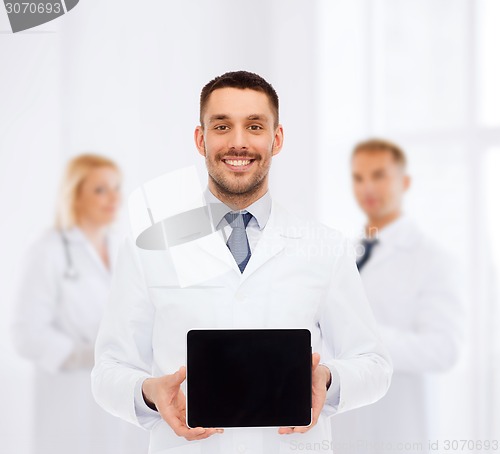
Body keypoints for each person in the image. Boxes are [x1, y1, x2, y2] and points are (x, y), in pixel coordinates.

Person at [91, 71, 393, 454]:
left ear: (276, 139)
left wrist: (327, 380)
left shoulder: (325, 247)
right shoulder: (147, 246)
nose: (238, 143)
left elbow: (375, 365)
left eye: (254, 126)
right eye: (221, 126)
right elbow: (108, 372)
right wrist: (149, 393)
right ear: (201, 139)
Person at [331, 139, 464, 453]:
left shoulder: (432, 258)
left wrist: (366, 342)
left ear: (404, 182)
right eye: (359, 177)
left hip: (396, 429)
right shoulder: (347, 252)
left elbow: (445, 349)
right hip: (345, 425)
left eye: (379, 176)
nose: (368, 188)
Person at [12, 154, 149, 454]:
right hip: (70, 397)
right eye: (100, 190)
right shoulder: (47, 250)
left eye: (116, 188)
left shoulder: (123, 249)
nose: (113, 198)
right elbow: (26, 334)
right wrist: (80, 355)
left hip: (119, 396)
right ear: (74, 196)